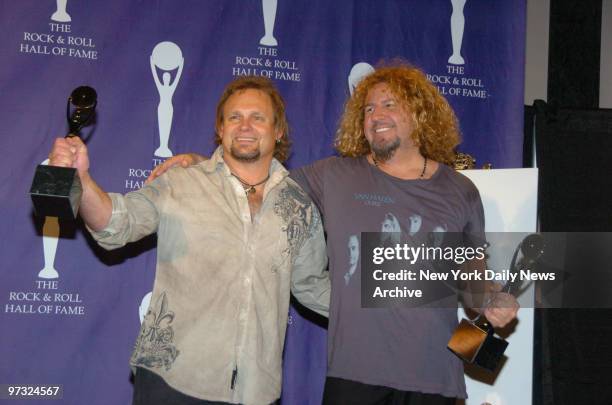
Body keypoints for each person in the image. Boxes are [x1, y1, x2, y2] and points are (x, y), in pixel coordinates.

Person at [149, 62, 519, 405]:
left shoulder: (460, 190)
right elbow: (258, 180)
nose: (376, 116)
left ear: (419, 114)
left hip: (435, 377)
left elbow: (472, 280)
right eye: (369, 110)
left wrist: (491, 299)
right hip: (353, 375)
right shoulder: (333, 176)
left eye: (389, 105)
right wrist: (204, 165)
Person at [48, 76, 330, 405]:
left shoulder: (299, 206)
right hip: (173, 381)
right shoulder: (181, 183)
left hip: (256, 391)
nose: (245, 126)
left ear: (278, 130)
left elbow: (313, 285)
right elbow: (115, 224)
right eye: (234, 117)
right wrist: (80, 178)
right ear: (220, 129)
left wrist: (393, 304)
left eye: (258, 117)